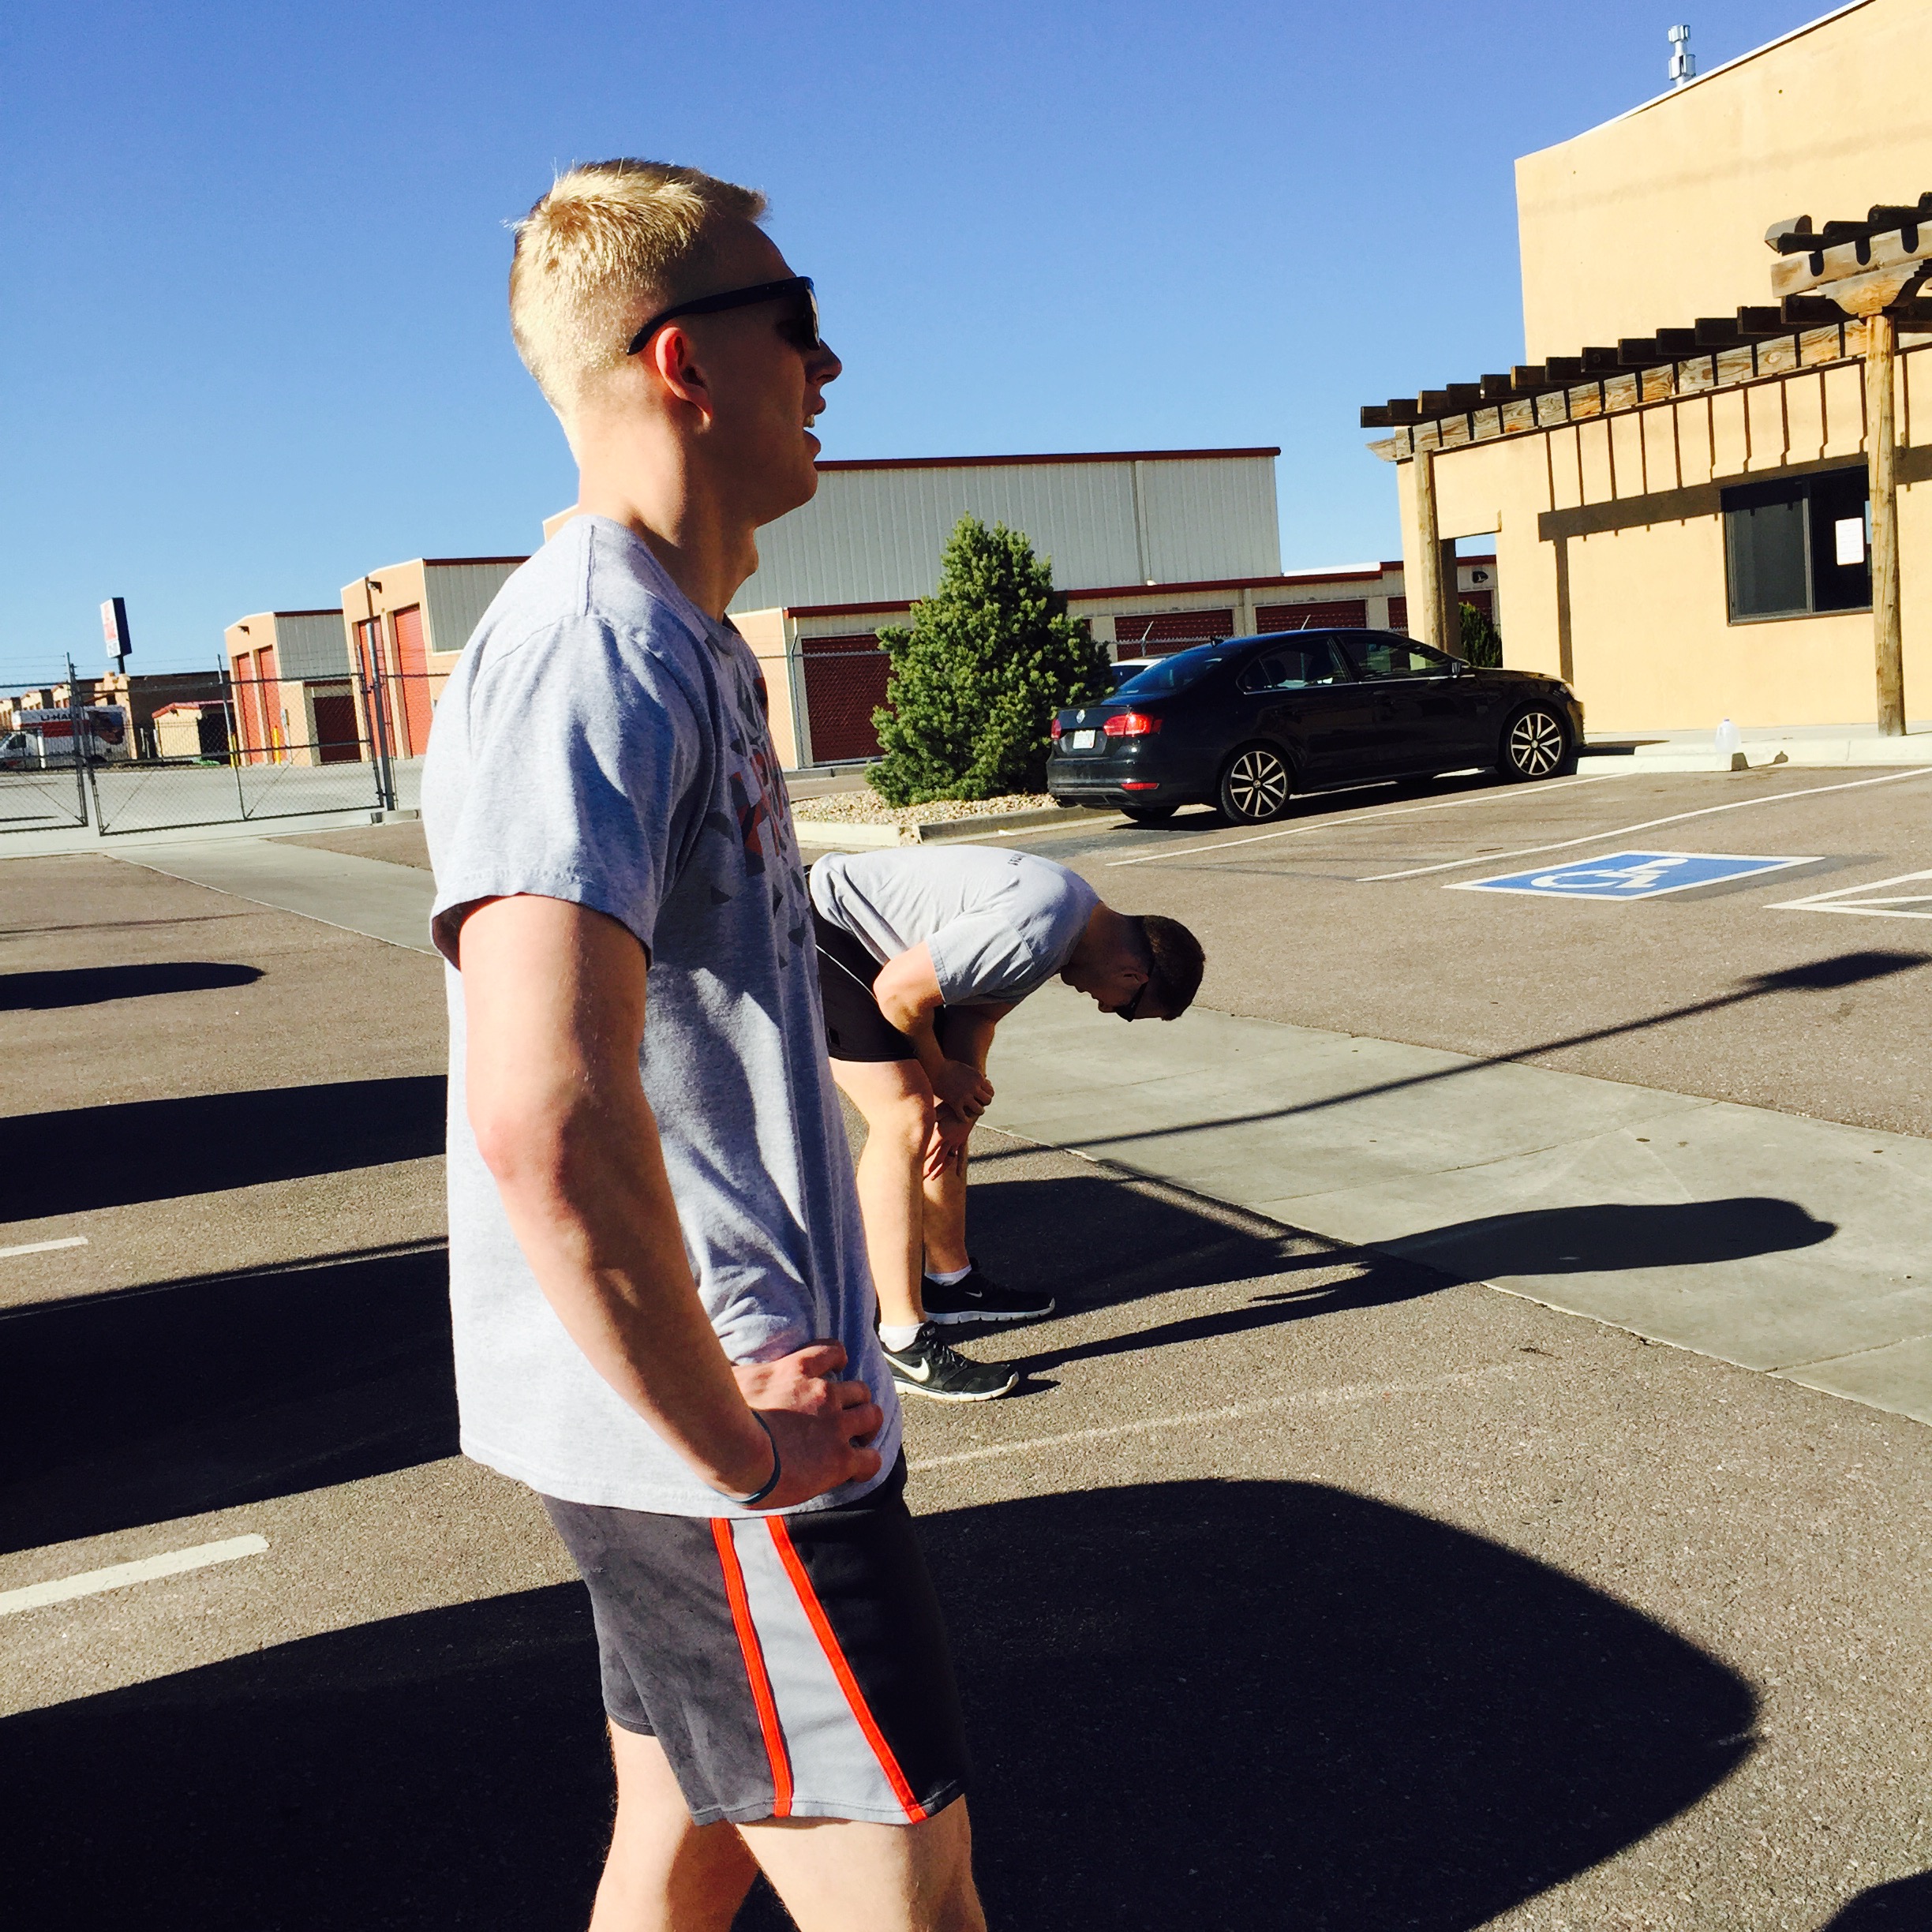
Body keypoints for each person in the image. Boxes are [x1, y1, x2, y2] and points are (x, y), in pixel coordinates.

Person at [423, 160, 984, 1932]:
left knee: (681, 1845)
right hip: (734, 1428)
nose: (829, 366)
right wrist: (733, 1447)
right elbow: (543, 1111)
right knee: (912, 1897)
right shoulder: (594, 652)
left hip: (704, 1418)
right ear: (683, 359)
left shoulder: (681, 641)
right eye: (797, 324)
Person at [810, 846, 1204, 1401]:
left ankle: (950, 1284)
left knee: (933, 1112)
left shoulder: (1070, 929)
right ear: (1132, 974)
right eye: (1123, 1007)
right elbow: (898, 994)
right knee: (904, 1115)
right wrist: (941, 1074)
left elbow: (975, 1016)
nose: (1103, 1007)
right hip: (825, 924)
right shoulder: (1037, 929)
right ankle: (900, 1342)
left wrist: (961, 1105)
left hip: (879, 951)